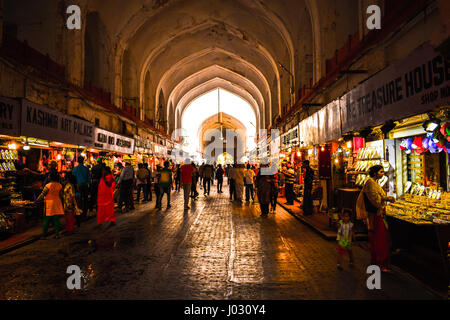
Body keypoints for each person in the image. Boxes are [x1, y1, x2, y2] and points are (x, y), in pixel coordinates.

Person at [356, 165, 394, 273]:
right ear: (375, 173)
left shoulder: (373, 183)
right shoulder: (370, 183)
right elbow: (375, 200)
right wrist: (386, 198)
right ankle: (381, 263)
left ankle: (376, 261)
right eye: (381, 172)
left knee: (377, 239)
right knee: (380, 239)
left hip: (376, 215)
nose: (382, 174)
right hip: (376, 215)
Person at [36, 171, 64, 239]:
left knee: (46, 220)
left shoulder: (47, 186)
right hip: (57, 203)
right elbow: (61, 195)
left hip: (49, 203)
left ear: (51, 177)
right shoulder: (60, 185)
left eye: (49, 176)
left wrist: (37, 200)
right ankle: (57, 234)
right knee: (56, 219)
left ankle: (44, 235)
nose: (48, 177)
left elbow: (43, 194)